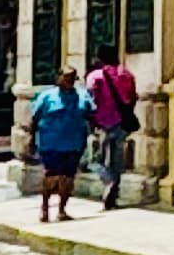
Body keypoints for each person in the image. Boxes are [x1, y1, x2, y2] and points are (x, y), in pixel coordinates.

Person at [30, 67, 91, 223]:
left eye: (72, 78)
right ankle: (44, 209)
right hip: (50, 144)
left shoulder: (82, 96)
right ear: (58, 78)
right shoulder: (46, 96)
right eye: (66, 77)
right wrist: (31, 139)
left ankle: (62, 209)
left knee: (68, 178)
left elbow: (90, 114)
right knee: (51, 176)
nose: (69, 81)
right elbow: (34, 119)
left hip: (74, 144)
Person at [85, 48, 139, 211]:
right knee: (117, 161)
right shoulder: (127, 75)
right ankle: (113, 197)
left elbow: (90, 101)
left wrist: (91, 121)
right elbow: (133, 98)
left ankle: (109, 182)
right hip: (122, 123)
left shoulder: (96, 77)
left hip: (102, 124)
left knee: (95, 160)